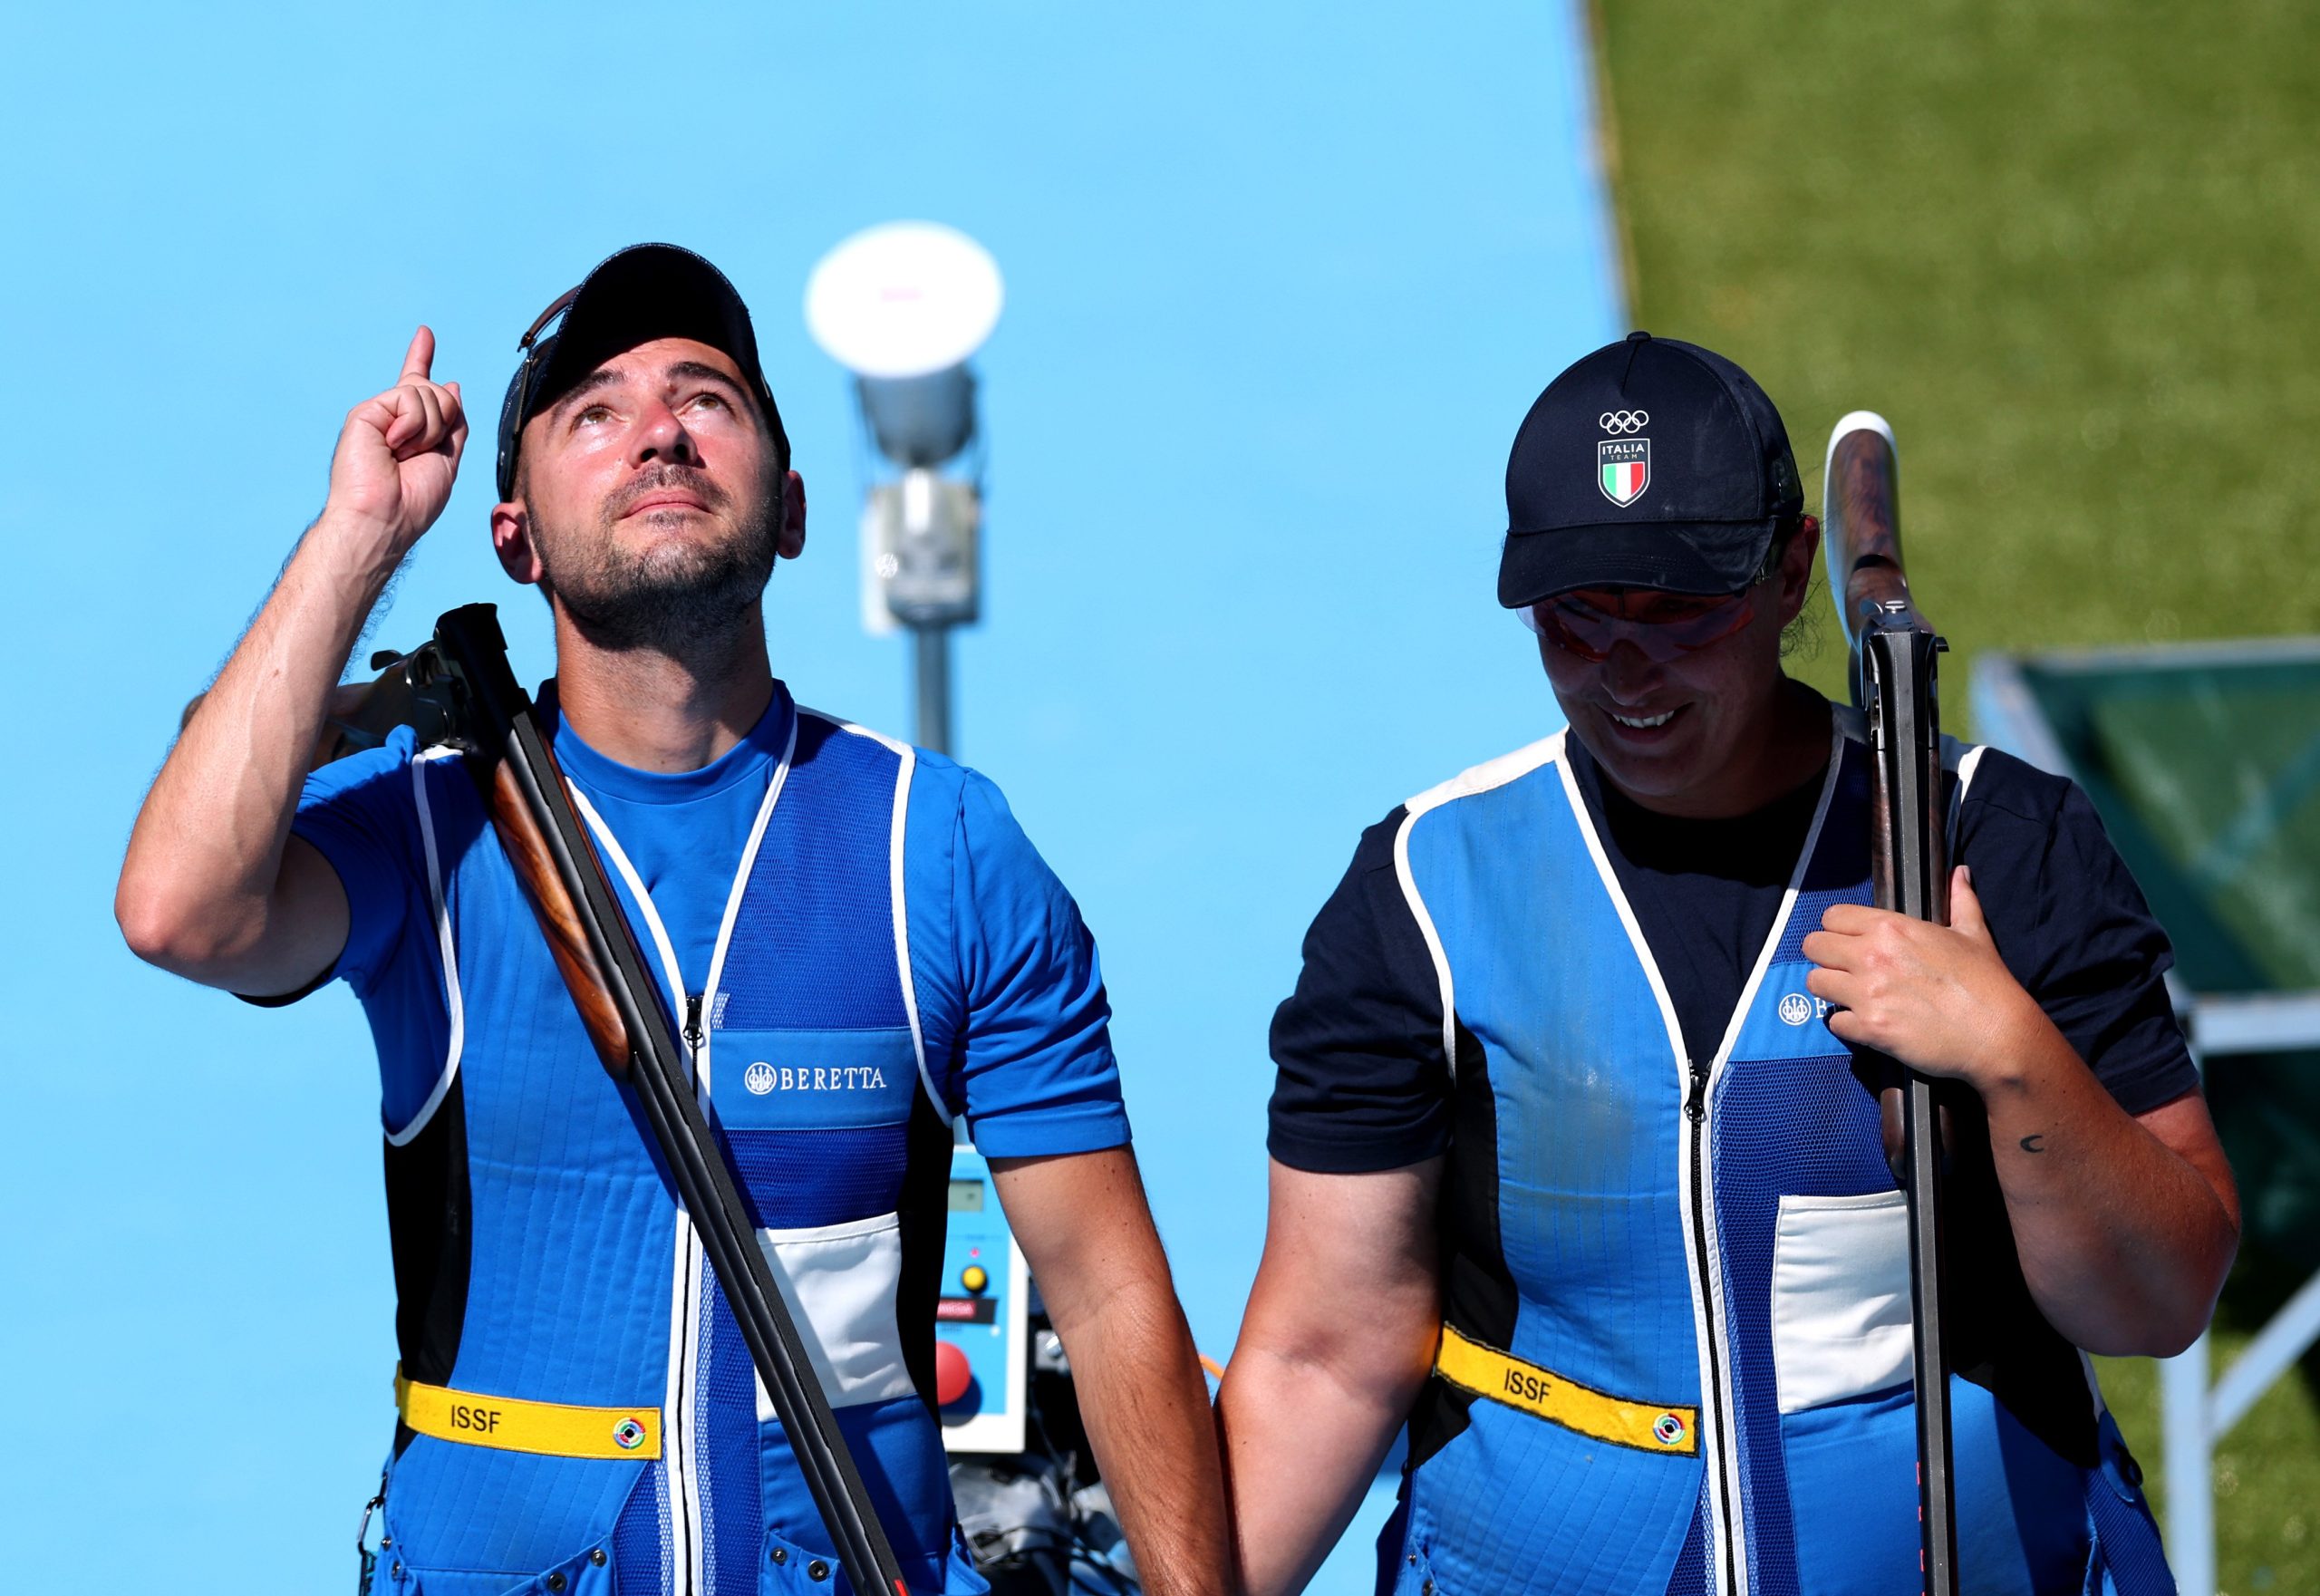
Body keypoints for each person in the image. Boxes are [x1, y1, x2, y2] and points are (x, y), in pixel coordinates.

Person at [117, 244, 1229, 1596]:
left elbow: (1111, 1301)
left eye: (708, 398)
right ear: (512, 536)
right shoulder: (423, 830)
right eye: (593, 412)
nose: (657, 430)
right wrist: (360, 541)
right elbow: (178, 907)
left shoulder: (941, 848)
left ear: (794, 508)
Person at [1217, 333, 2240, 1596]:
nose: (1625, 667)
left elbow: (2161, 1297)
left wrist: (2015, 1058)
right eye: (1576, 620)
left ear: (1792, 568)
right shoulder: (1425, 888)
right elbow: (1328, 1351)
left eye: (1681, 609)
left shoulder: (2000, 840)